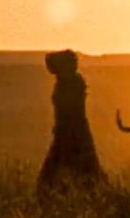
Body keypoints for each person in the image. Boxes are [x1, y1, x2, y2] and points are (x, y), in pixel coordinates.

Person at [37, 49, 105, 192]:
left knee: (52, 176)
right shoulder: (70, 83)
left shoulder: (71, 84)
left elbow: (70, 111)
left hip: (71, 134)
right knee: (84, 172)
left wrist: (62, 130)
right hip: (71, 133)